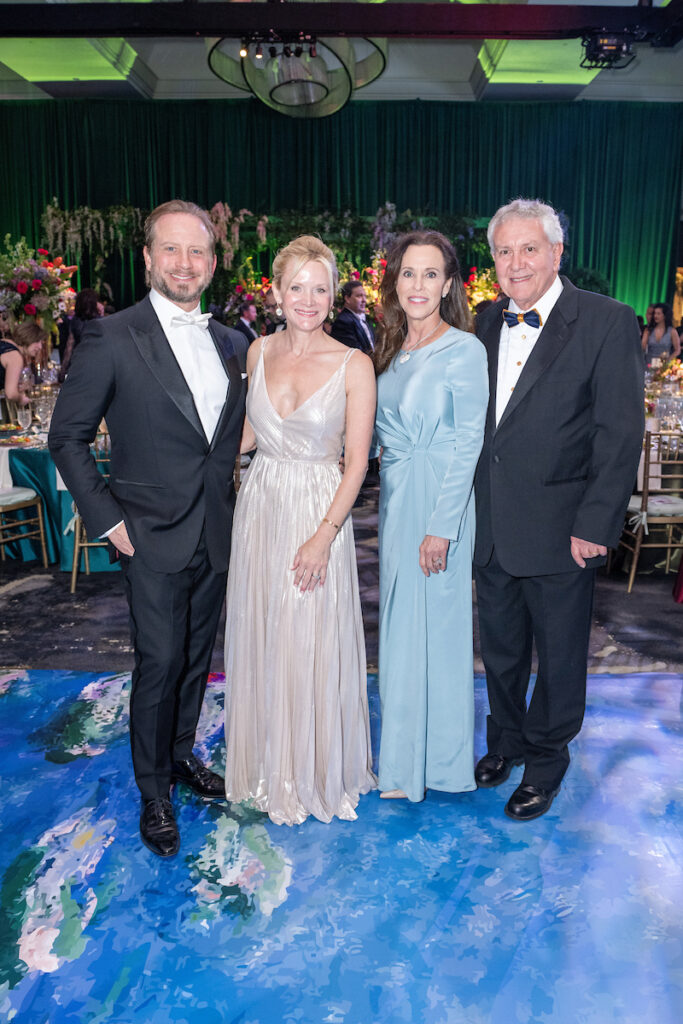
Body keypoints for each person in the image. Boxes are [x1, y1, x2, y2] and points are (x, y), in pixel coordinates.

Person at [49, 200, 246, 857]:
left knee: (194, 658)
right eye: (171, 250)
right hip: (148, 534)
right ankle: (153, 789)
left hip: (216, 530)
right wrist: (109, 522)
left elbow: (227, 440)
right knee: (158, 662)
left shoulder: (233, 343)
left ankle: (183, 755)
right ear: (147, 258)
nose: (184, 264)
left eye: (197, 252)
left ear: (213, 264)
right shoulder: (112, 336)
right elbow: (67, 439)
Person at [473, 198, 644, 821]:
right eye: (503, 251)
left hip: (563, 530)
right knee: (502, 652)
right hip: (491, 525)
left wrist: (597, 524)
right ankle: (507, 742)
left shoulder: (605, 320)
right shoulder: (484, 324)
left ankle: (546, 761)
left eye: (529, 249)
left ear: (556, 253)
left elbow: (621, 434)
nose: (515, 263)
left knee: (562, 655)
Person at [223, 235, 377, 826]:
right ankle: (266, 763)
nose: (308, 300)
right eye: (297, 287)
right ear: (277, 293)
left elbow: (358, 462)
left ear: (332, 294)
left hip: (319, 509)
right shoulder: (257, 353)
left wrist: (324, 535)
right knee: (264, 628)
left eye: (320, 288)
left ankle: (312, 769)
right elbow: (250, 437)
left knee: (308, 632)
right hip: (260, 506)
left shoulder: (353, 363)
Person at [373, 231, 488, 802]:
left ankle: (441, 766)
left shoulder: (465, 350)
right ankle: (399, 763)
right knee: (398, 631)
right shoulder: (392, 350)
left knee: (439, 635)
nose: (418, 285)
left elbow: (469, 443)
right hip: (395, 503)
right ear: (396, 282)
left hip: (439, 506)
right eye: (409, 273)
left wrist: (443, 526)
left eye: (430, 274)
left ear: (448, 284)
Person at [58, 288, 104, 381]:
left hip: (79, 363)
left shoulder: (75, 321)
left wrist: (62, 372)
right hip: (98, 364)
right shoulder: (100, 322)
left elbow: (69, 348)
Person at [1, 321, 46, 406]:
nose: (40, 347)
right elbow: (10, 394)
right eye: (37, 341)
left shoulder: (5, 343)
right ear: (28, 338)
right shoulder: (16, 357)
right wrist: (21, 399)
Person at [330, 281, 375, 354]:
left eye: (365, 296)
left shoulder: (365, 319)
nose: (364, 300)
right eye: (359, 296)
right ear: (347, 298)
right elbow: (355, 353)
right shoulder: (343, 322)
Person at [231, 299, 258, 371]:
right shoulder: (239, 327)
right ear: (246, 313)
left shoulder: (248, 326)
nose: (256, 314)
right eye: (253, 312)